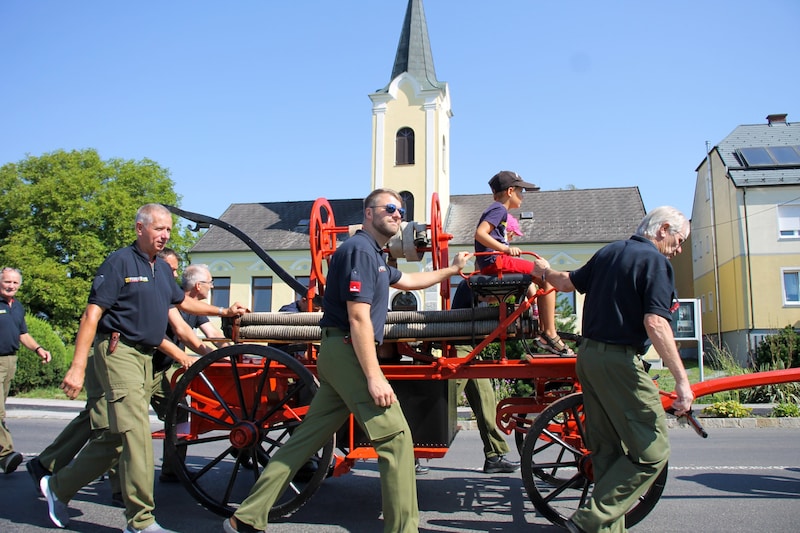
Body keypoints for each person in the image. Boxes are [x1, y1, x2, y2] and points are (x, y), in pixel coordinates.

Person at [223, 188, 471, 533]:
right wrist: (374, 376)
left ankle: (246, 517)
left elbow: (411, 280)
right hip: (346, 350)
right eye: (389, 208)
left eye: (400, 210)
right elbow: (357, 319)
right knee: (397, 438)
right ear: (368, 213)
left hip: (339, 352)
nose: (397, 214)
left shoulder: (375, 255)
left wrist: (452, 270)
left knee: (305, 440)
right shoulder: (358, 251)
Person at [39, 204, 247, 533]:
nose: (164, 235)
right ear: (140, 229)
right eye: (158, 229)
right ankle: (140, 521)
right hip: (118, 352)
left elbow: (182, 303)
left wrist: (223, 310)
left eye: (168, 230)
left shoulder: (162, 270)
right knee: (136, 434)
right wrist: (77, 367)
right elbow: (91, 316)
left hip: (147, 358)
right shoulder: (119, 262)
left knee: (117, 439)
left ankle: (58, 487)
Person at [530, 206, 694, 533]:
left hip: (588, 358)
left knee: (606, 454)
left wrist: (544, 271)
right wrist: (683, 382)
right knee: (652, 451)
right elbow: (656, 322)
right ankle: (586, 520)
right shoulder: (656, 262)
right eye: (679, 241)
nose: (679, 250)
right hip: (619, 361)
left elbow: (565, 283)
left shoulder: (609, 252)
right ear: (663, 229)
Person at [475, 170, 573, 356]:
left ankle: (545, 331)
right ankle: (550, 334)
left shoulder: (496, 210)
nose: (523, 196)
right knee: (546, 276)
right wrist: (504, 249)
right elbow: (480, 233)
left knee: (541, 276)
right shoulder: (498, 209)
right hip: (497, 262)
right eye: (521, 191)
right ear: (510, 191)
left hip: (495, 261)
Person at [451, 279, 519, 474]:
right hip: (460, 348)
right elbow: (488, 296)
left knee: (485, 399)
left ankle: (494, 456)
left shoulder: (479, 284)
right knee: (444, 401)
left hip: (472, 349)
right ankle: (412, 453)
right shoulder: (471, 283)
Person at [0, 267, 52, 474]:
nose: (11, 286)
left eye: (14, 283)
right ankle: (5, 454)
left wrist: (39, 349)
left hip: (10, 361)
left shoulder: (17, 307)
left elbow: (23, 334)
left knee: (1, 410)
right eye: (7, 282)